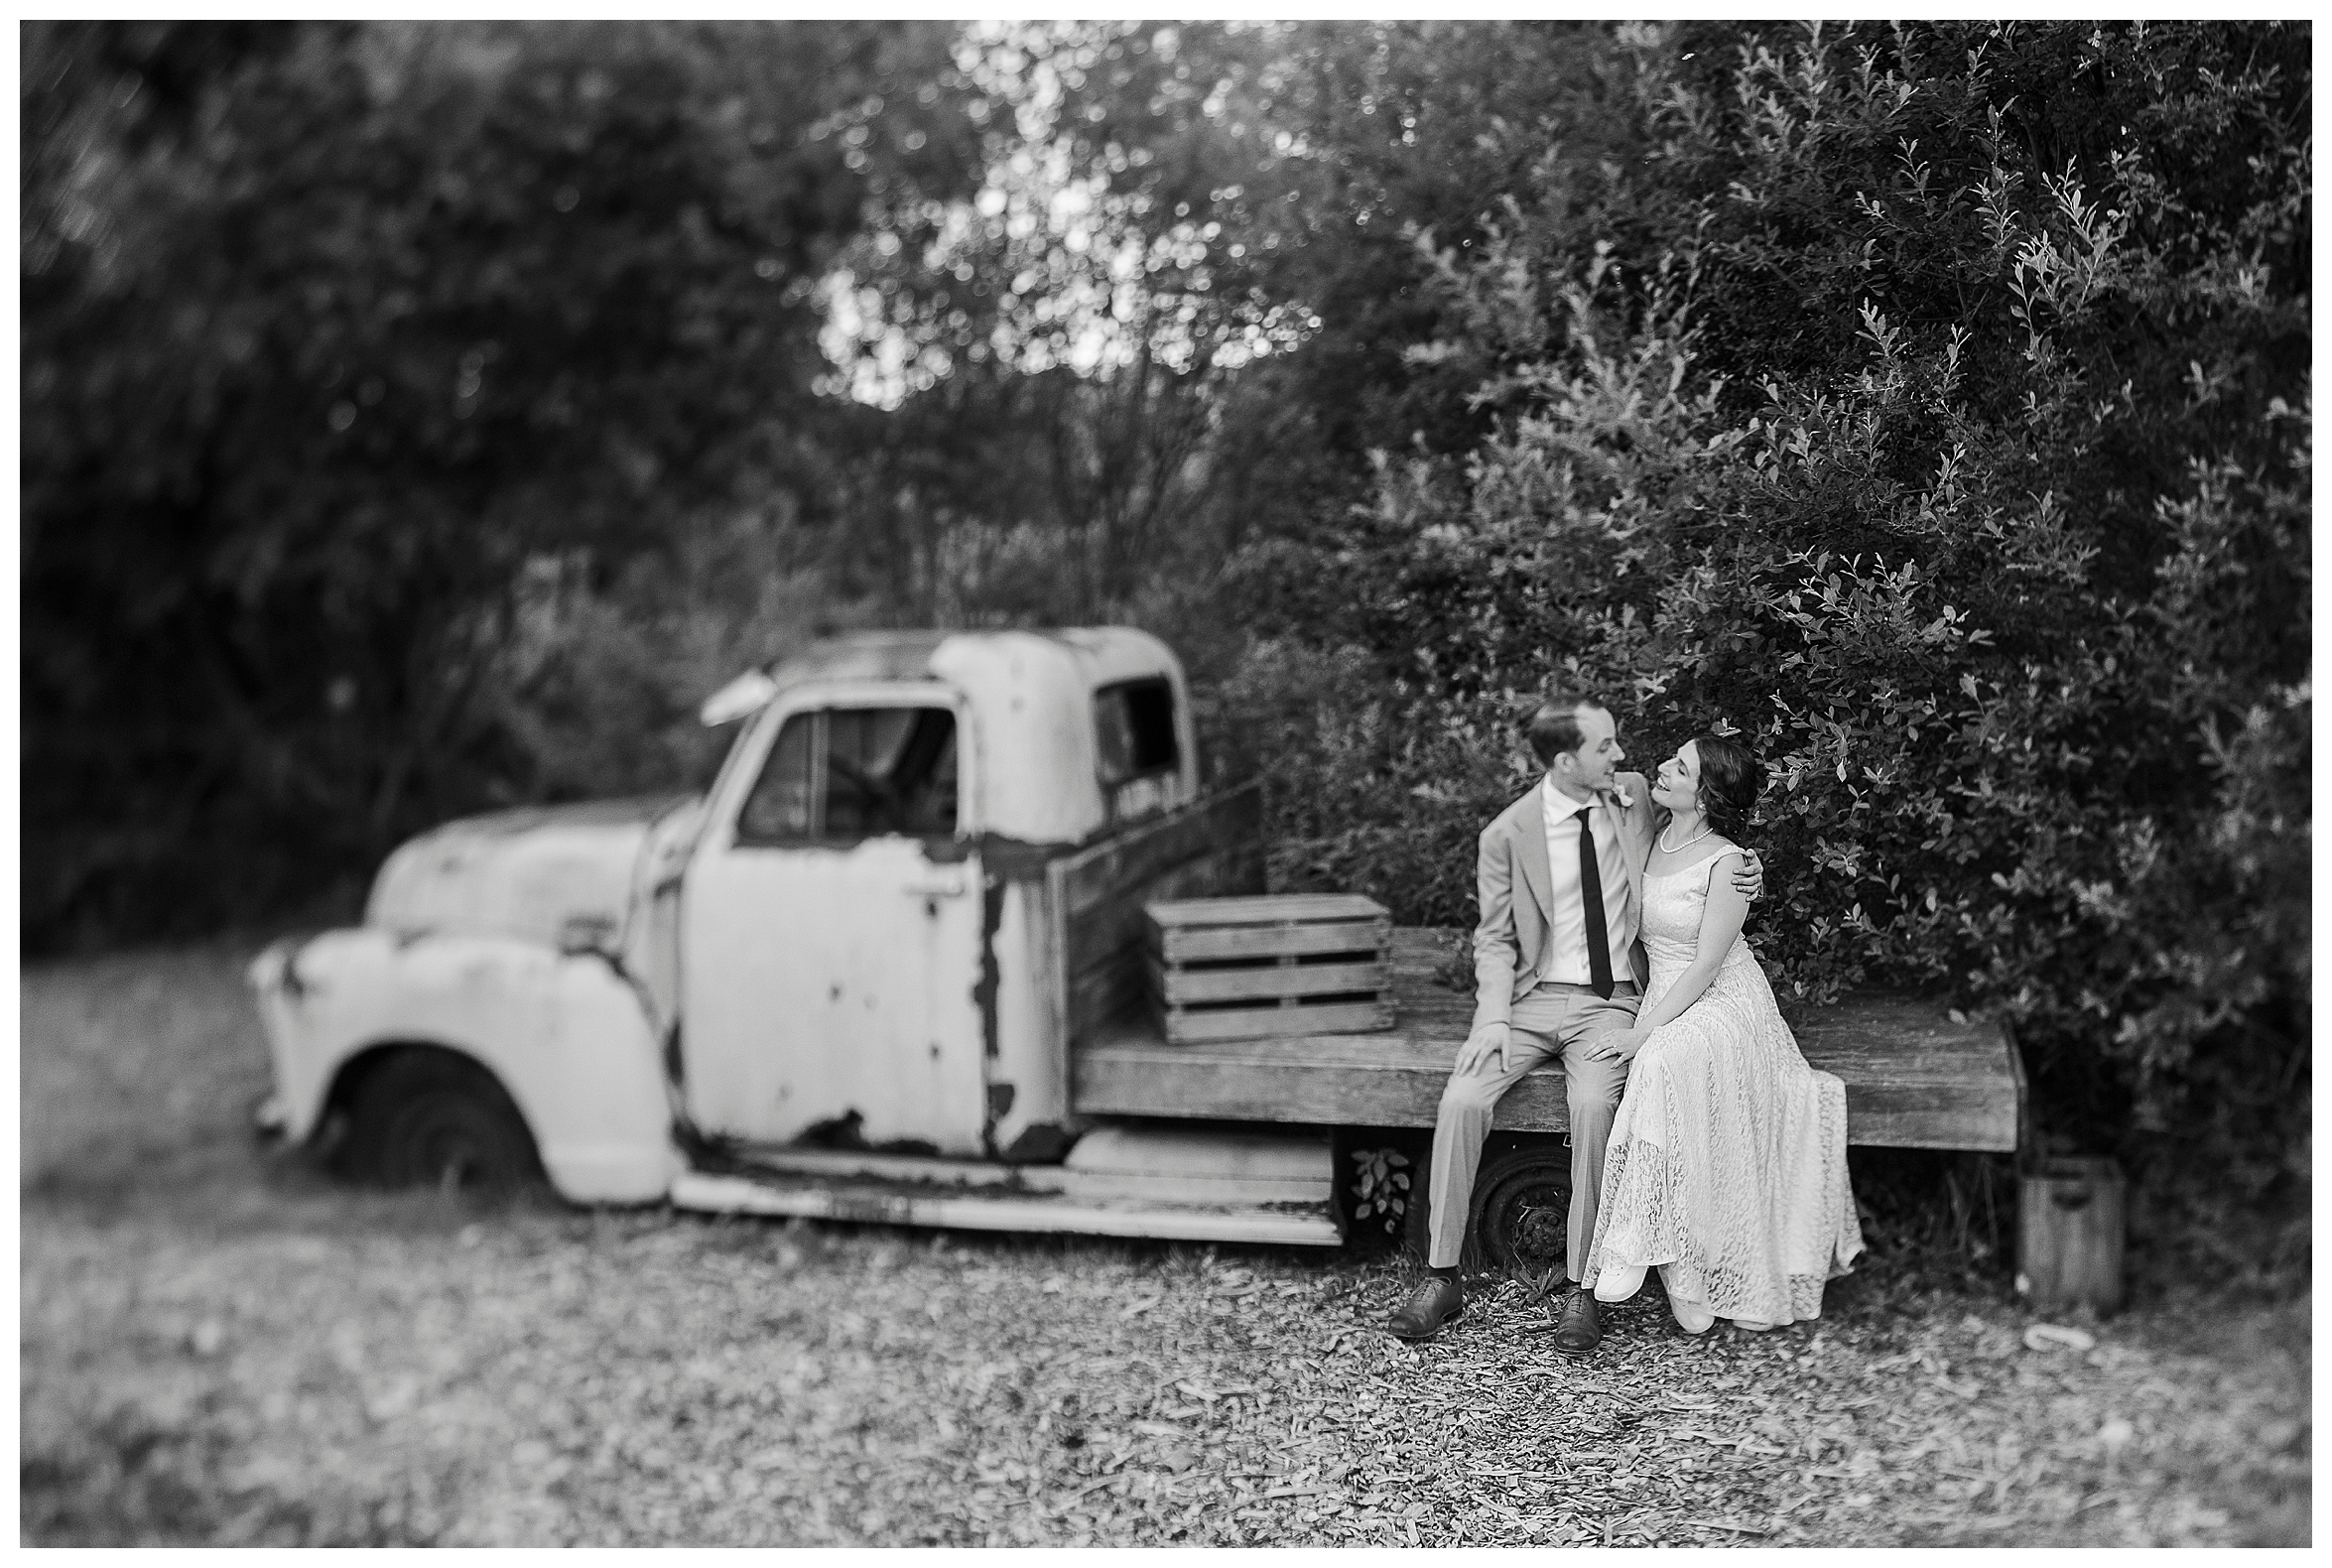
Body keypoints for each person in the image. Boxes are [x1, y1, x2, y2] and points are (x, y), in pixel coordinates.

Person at [1382, 692, 1761, 1355]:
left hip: (1612, 997)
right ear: (1567, 760)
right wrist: (1493, 1018)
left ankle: (1584, 1290)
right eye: (1605, 748)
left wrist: (1750, 866)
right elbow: (1495, 940)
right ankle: (1441, 1276)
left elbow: (1708, 846)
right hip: (1531, 1002)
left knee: (1592, 1106)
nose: (1622, 756)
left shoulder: (1637, 796)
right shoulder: (1506, 835)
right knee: (1462, 1096)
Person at [1581, 733, 1864, 1334]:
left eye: (1678, 767)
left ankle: (1643, 1248)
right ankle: (1679, 1267)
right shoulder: (1643, 813)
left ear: (1704, 795)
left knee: (1656, 1061)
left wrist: (1639, 1035)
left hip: (1723, 1000)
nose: (1661, 767)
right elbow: (1594, 777)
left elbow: (1707, 966)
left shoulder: (1731, 863)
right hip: (1664, 993)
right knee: (1662, 1069)